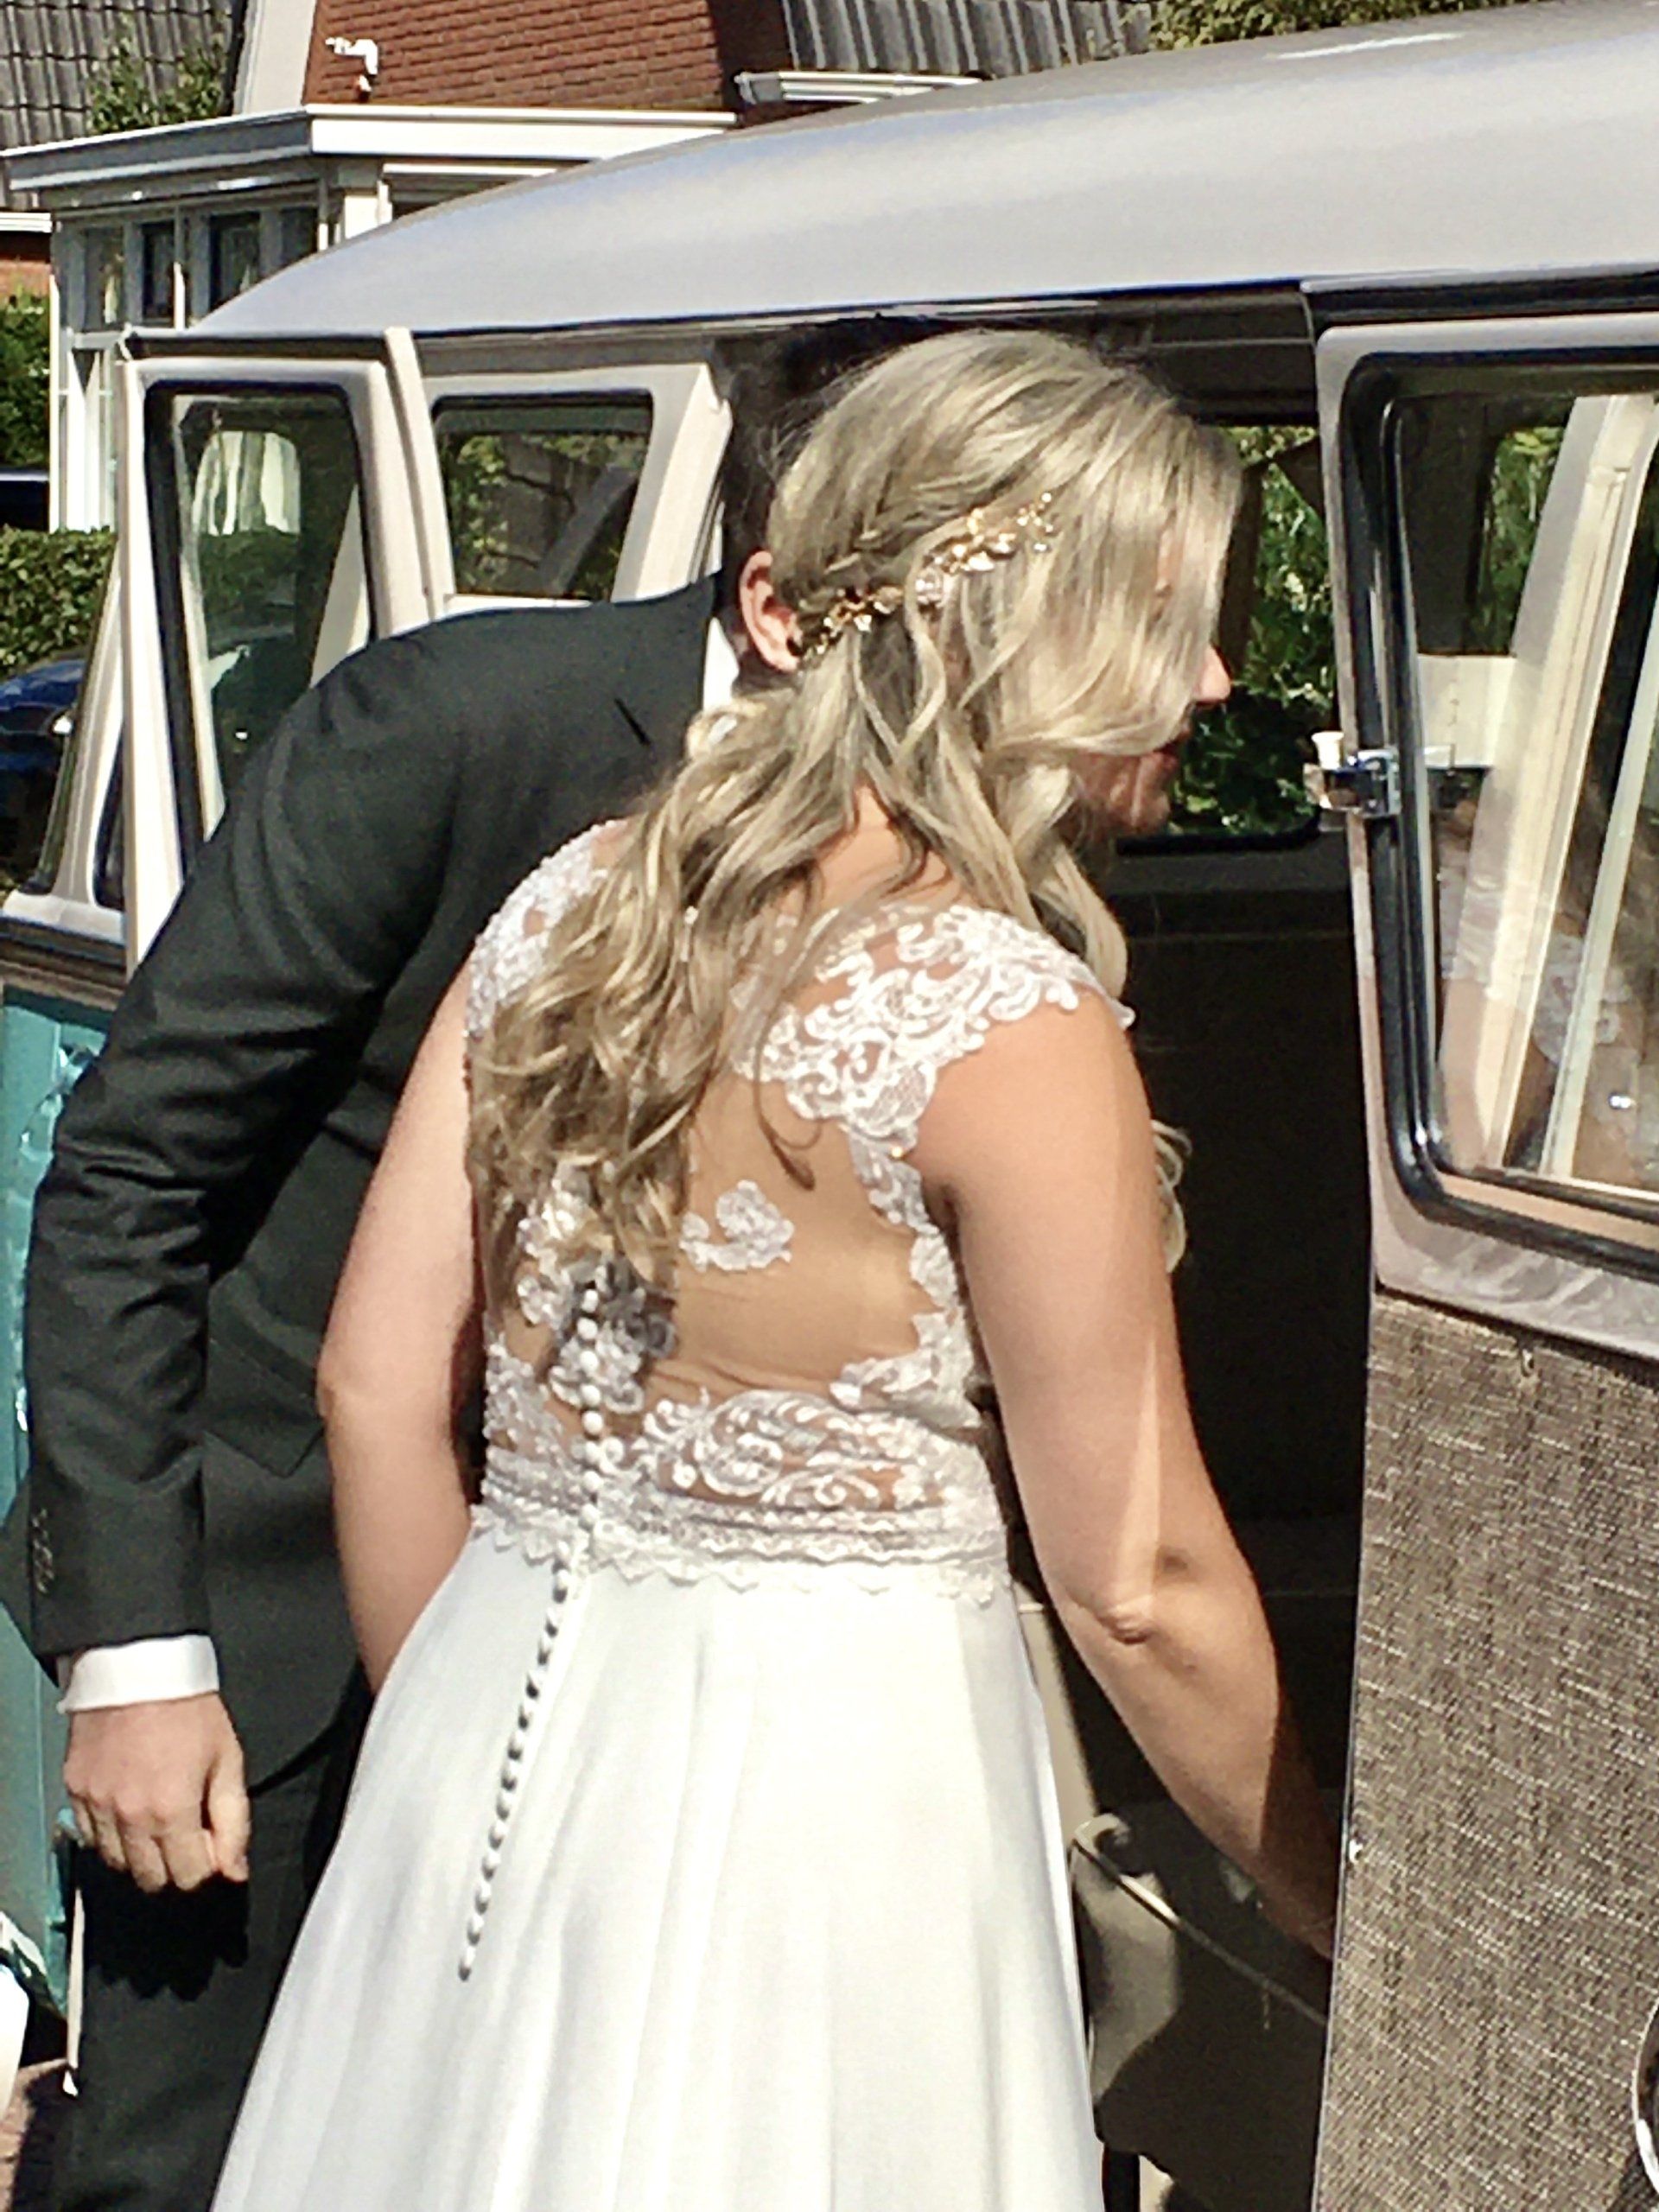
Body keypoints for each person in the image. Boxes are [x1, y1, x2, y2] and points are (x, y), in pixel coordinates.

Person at [207, 328, 1340, 2210]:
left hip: (481, 1735)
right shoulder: (1008, 1018)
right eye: (1167, 622)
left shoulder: (568, 909)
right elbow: (1137, 1582)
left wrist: (450, 1760)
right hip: (832, 1821)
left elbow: (375, 1387)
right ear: (1013, 630)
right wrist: (1336, 1904)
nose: (1214, 679)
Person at [0, 454, 771, 2203]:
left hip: (661, 1629)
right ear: (792, 601)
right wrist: (138, 1653)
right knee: (195, 2158)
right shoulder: (454, 727)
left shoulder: (976, 839)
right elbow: (133, 1173)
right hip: (272, 1620)